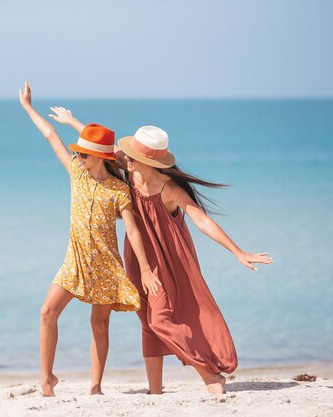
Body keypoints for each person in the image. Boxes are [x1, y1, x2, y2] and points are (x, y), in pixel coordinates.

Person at [49, 107, 273, 394]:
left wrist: (238, 251)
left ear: (147, 161)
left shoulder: (170, 189)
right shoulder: (129, 169)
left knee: (161, 319)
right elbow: (99, 144)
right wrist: (71, 122)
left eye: (131, 156)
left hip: (170, 258)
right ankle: (155, 390)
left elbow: (202, 221)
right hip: (139, 254)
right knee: (147, 320)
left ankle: (210, 375)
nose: (124, 158)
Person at [18, 83, 161, 397]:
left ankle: (95, 387)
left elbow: (133, 231)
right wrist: (29, 108)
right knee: (46, 312)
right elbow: (50, 136)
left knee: (99, 325)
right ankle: (46, 379)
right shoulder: (76, 172)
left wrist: (147, 269)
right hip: (76, 261)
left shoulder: (119, 189)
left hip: (107, 264)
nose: (78, 155)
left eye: (83, 153)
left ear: (98, 157)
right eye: (78, 152)